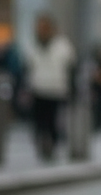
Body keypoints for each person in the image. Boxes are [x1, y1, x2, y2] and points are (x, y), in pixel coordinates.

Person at [22, 13, 75, 161]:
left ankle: (52, 144)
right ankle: (42, 143)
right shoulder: (32, 46)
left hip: (57, 89)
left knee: (54, 121)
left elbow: (71, 67)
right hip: (38, 88)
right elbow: (27, 68)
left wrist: (71, 88)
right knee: (39, 122)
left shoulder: (63, 46)